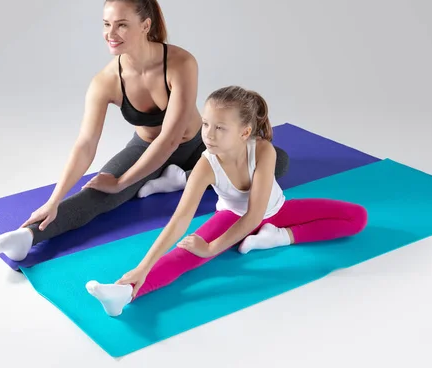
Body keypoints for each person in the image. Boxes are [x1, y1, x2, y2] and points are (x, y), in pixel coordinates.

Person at [0, 0, 290, 262]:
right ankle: (27, 238)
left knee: (278, 161)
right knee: (99, 194)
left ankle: (181, 178)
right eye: (106, 24)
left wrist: (123, 181)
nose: (111, 33)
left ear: (145, 25)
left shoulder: (181, 63)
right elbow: (85, 144)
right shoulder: (105, 81)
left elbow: (170, 138)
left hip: (200, 146)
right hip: (146, 150)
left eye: (122, 24)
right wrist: (54, 199)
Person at [86, 85, 368, 317]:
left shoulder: (263, 151)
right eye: (206, 124)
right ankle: (123, 293)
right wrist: (142, 267)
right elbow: (180, 220)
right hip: (232, 217)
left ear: (244, 133)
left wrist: (211, 249)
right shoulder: (206, 165)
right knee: (185, 255)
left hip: (275, 212)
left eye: (220, 128)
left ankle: (279, 238)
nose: (208, 134)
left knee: (357, 217)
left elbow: (256, 214)